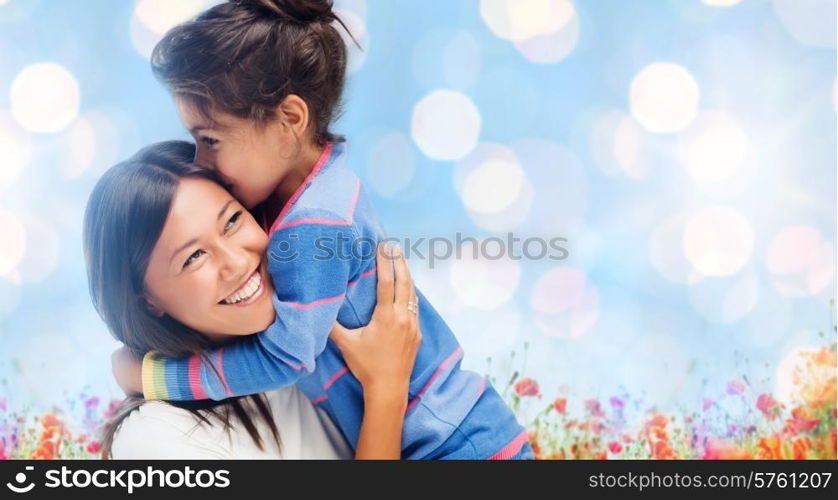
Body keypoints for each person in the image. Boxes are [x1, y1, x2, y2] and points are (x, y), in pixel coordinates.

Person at [115, 0, 532, 459]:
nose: (201, 161)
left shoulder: (311, 225)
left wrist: (153, 376)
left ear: (290, 120)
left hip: (455, 445)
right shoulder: (321, 187)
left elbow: (285, 357)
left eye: (210, 139)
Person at [84, 141, 421, 459]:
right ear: (147, 302)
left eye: (232, 220)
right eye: (194, 256)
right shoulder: (156, 439)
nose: (237, 263)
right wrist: (387, 387)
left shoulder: (307, 326)